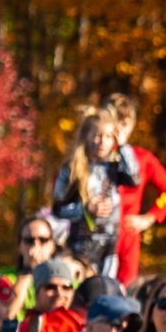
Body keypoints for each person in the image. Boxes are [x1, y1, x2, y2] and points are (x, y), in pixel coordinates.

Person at [49, 102, 139, 279]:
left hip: (108, 249)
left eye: (108, 137)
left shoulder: (114, 168)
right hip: (79, 247)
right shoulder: (72, 168)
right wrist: (85, 209)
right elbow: (57, 209)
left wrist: (123, 146)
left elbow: (134, 178)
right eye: (97, 136)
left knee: (103, 293)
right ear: (86, 137)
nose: (102, 142)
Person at [104, 93, 166, 288]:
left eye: (124, 123)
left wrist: (151, 217)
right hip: (97, 233)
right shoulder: (92, 157)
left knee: (126, 288)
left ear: (132, 126)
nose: (119, 129)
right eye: (115, 121)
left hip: (127, 234)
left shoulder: (142, 158)